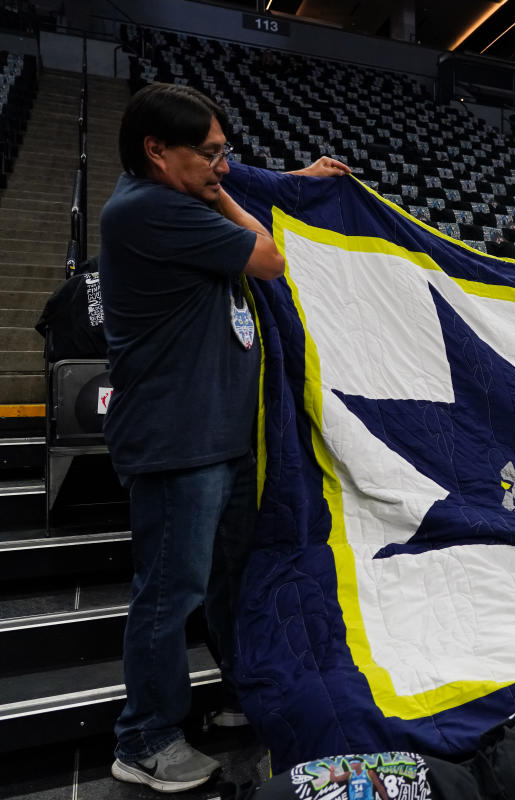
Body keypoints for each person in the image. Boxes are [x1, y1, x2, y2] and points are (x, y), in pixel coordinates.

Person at [100, 82, 349, 792]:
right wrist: (228, 198)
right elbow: (268, 258)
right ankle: (143, 738)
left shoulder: (175, 191)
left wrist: (291, 180)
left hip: (220, 441)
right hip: (180, 444)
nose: (221, 166)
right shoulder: (148, 210)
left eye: (223, 153)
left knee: (225, 585)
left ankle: (240, 692)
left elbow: (236, 178)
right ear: (156, 150)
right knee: (170, 592)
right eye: (208, 154)